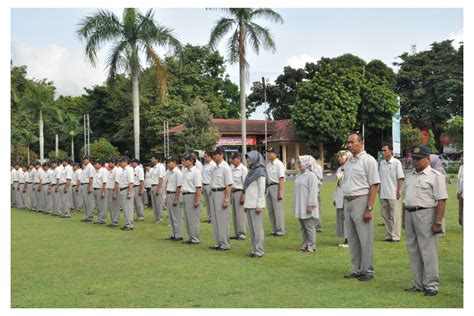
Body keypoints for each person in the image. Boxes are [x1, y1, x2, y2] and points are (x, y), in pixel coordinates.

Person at [402, 145, 448, 296]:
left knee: (428, 251)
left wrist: (437, 222)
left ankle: (431, 285)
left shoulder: (436, 176)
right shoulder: (410, 175)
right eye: (414, 159)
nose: (415, 162)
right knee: (413, 250)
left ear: (428, 159)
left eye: (419, 159)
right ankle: (418, 284)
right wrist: (403, 218)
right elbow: (405, 199)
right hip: (410, 213)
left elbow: (441, 200)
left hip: (426, 214)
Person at [342, 132, 380, 281]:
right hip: (348, 202)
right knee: (352, 238)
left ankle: (367, 270)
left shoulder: (368, 160)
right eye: (348, 143)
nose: (350, 145)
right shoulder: (350, 161)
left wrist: (369, 208)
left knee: (365, 238)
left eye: (352, 142)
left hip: (361, 200)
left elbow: (374, 185)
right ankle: (356, 269)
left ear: (361, 142)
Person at [293, 155, 320, 253]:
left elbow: (313, 191)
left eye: (300, 162)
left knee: (309, 226)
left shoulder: (311, 176)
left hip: (307, 204)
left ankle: (311, 246)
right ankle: (304, 244)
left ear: (306, 163)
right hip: (300, 203)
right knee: (303, 226)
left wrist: (310, 205)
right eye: (298, 162)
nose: (298, 164)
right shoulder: (300, 175)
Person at [242, 150, 266, 258]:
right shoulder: (251, 171)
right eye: (247, 158)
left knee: (257, 229)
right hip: (249, 204)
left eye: (249, 158)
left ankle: (259, 250)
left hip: (256, 205)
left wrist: (259, 205)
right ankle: (254, 249)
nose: (248, 160)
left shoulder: (260, 171)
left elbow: (262, 190)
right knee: (252, 230)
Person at [208, 147, 233, 251]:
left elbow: (229, 185)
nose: (214, 156)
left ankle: (225, 243)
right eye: (214, 154)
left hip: (221, 193)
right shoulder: (214, 168)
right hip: (214, 193)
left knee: (222, 220)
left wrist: (226, 199)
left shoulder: (225, 167)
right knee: (215, 220)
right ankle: (218, 242)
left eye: (216, 154)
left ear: (221, 154)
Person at [379, 143, 405, 242]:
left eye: (385, 150)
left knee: (395, 216)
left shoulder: (396, 163)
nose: (383, 152)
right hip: (383, 193)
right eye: (382, 151)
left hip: (394, 194)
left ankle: (396, 236)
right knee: (385, 216)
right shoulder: (381, 163)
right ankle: (389, 235)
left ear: (391, 151)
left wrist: (399, 191)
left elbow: (401, 178)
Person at [181, 154, 203, 244]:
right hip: (185, 195)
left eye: (186, 160)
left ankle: (195, 238)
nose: (184, 162)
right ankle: (190, 237)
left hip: (192, 195)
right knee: (187, 218)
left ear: (191, 161)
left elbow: (198, 187)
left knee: (193, 218)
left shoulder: (196, 172)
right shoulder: (185, 171)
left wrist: (197, 200)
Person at [265, 147, 286, 237]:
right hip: (269, 187)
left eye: (271, 152)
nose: (269, 154)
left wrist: (280, 192)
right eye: (268, 152)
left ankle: (280, 230)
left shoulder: (279, 164)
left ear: (276, 154)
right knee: (271, 210)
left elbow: (281, 178)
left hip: (276, 186)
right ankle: (274, 229)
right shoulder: (268, 164)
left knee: (278, 210)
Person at [334, 150, 352, 248]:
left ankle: (349, 239)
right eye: (339, 156)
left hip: (347, 197)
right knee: (341, 218)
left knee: (347, 218)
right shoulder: (339, 169)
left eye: (342, 156)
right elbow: (338, 185)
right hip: (339, 197)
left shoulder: (350, 169)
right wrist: (335, 197)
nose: (339, 158)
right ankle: (345, 238)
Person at [164, 156, 183, 241]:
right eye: (167, 162)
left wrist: (176, 198)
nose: (168, 164)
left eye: (169, 162)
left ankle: (178, 235)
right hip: (168, 193)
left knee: (176, 216)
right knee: (171, 216)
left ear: (175, 162)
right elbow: (167, 183)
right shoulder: (168, 172)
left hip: (174, 194)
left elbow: (178, 186)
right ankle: (173, 234)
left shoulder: (178, 173)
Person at [230, 152, 248, 240]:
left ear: (238, 159)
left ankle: (242, 233)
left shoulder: (243, 169)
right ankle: (237, 232)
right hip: (233, 192)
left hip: (240, 192)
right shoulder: (232, 169)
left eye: (233, 159)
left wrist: (243, 195)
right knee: (234, 214)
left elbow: (245, 184)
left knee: (240, 214)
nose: (232, 161)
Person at [429, 154, 449, 236]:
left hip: (438, 193)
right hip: (434, 193)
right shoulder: (433, 169)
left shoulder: (438, 170)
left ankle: (441, 230)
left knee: (439, 212)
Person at [115, 156, 135, 231]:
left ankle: (130, 224)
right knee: (124, 209)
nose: (120, 163)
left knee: (128, 208)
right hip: (123, 190)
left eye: (121, 161)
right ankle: (127, 223)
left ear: (125, 161)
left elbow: (131, 182)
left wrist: (129, 192)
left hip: (127, 190)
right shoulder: (123, 170)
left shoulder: (129, 170)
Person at [79, 156, 96, 222]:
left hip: (87, 185)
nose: (83, 161)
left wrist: (90, 187)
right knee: (85, 202)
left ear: (88, 160)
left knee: (89, 202)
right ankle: (86, 215)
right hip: (83, 185)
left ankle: (90, 216)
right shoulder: (85, 167)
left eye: (84, 160)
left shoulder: (90, 167)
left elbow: (91, 178)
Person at [150, 154, 165, 223]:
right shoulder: (153, 168)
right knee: (154, 203)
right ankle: (156, 217)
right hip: (153, 186)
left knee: (159, 203)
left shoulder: (160, 167)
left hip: (158, 186)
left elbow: (161, 179)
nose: (151, 160)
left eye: (153, 159)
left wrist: (158, 189)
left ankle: (160, 218)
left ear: (157, 159)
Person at [106, 158, 121, 228]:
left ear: (114, 163)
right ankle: (113, 221)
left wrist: (115, 192)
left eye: (110, 163)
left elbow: (116, 182)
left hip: (114, 190)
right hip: (109, 190)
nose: (109, 164)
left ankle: (115, 221)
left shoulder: (116, 171)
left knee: (115, 207)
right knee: (111, 207)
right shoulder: (111, 171)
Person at [202, 151, 216, 223]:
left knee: (211, 202)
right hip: (204, 185)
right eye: (204, 156)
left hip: (209, 185)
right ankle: (209, 217)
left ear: (210, 157)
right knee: (207, 203)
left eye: (206, 156)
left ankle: (212, 217)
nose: (204, 158)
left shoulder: (213, 165)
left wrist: (211, 187)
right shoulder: (205, 165)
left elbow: (214, 177)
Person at [92, 160, 108, 224]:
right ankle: (99, 219)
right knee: (98, 206)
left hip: (100, 189)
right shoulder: (95, 171)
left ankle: (102, 219)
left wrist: (103, 192)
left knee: (102, 206)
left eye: (96, 164)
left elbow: (104, 182)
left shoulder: (103, 171)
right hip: (95, 189)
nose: (95, 165)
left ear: (100, 164)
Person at [457, 152, 463, 227]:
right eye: (461, 156)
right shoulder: (461, 167)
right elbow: (459, 180)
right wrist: (458, 192)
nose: (461, 158)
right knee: (461, 213)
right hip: (461, 193)